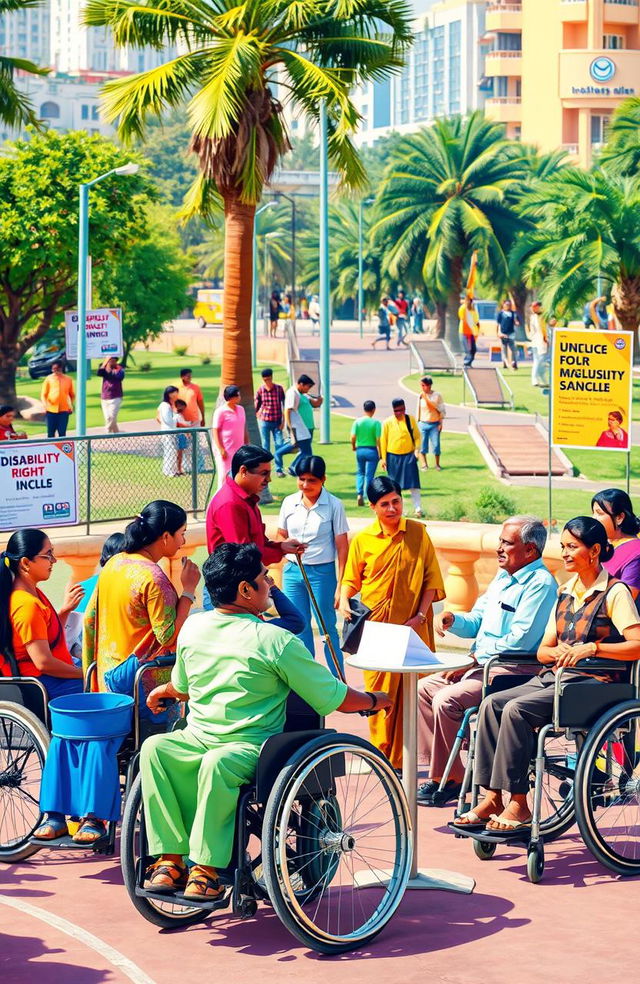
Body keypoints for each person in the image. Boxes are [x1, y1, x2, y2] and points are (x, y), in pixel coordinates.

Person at [140, 542, 392, 899]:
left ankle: (206, 869)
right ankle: (170, 859)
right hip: (202, 737)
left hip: (249, 746)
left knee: (216, 762)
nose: (269, 583)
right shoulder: (272, 639)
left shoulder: (198, 628)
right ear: (245, 590)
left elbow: (180, 687)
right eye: (264, 578)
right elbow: (333, 697)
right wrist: (374, 700)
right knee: (155, 749)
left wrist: (162, 689)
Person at [455, 517, 640, 833]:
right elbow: (544, 651)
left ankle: (518, 803)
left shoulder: (614, 593)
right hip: (557, 678)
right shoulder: (565, 591)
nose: (565, 553)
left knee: (515, 710)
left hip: (595, 684)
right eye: (564, 546)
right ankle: (492, 796)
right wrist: (555, 654)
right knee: (491, 705)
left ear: (594, 550)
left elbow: (636, 645)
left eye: (572, 547)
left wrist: (592, 648)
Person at [417, 516, 557, 806]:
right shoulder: (502, 577)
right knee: (423, 689)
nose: (499, 549)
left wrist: (473, 660)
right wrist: (454, 619)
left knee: (447, 700)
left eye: (507, 543)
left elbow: (521, 640)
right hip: (484, 665)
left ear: (530, 551)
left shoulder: (541, 584)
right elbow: (478, 620)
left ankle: (458, 774)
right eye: (500, 541)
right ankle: (451, 774)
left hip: (513, 669)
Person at [339, 477, 444, 770]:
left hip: (413, 627)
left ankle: (409, 758)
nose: (392, 508)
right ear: (372, 507)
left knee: (413, 693)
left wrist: (420, 617)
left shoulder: (418, 533)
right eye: (384, 504)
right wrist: (346, 599)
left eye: (396, 501)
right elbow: (351, 579)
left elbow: (431, 581)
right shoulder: (363, 539)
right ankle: (382, 756)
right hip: (378, 630)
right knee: (378, 694)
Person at [0, 530, 86, 841]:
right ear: (25, 563)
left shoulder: (34, 596)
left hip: (50, 679)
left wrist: (62, 611)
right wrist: (86, 676)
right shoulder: (25, 604)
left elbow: (44, 637)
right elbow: (43, 662)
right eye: (47, 555)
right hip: (46, 684)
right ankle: (78, 808)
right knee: (99, 705)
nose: (54, 561)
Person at [82, 500, 201, 694]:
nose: (184, 542)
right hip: (140, 685)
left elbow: (89, 619)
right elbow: (168, 637)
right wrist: (188, 590)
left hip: (108, 675)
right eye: (182, 534)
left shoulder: (115, 562)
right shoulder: (153, 578)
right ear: (165, 537)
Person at [277, 456, 349, 676]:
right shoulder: (289, 502)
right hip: (292, 571)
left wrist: (340, 585)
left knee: (327, 627)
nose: (306, 485)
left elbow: (342, 546)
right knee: (299, 627)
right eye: (302, 479)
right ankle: (306, 681)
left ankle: (339, 680)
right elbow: (281, 535)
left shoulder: (334, 505)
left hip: (322, 573)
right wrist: (287, 547)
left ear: (323, 480)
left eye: (312, 480)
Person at [205, 444, 306, 572]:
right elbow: (244, 556)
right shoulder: (230, 504)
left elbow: (257, 545)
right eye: (264, 474)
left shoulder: (247, 499)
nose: (268, 480)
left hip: (247, 579)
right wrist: (279, 550)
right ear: (243, 471)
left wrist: (282, 547)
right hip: (233, 586)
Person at [592, 488, 640, 600]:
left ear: (619, 518)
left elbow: (627, 599)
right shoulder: (602, 544)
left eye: (599, 513)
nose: (594, 518)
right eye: (593, 513)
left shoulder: (635, 553)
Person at [380, 398, 422, 518]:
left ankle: (418, 508)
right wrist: (383, 459)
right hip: (393, 457)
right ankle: (399, 510)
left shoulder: (410, 419)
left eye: (402, 410)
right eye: (397, 411)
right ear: (393, 410)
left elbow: (417, 436)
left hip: (409, 456)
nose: (400, 413)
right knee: (395, 486)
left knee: (414, 483)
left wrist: (417, 450)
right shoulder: (387, 423)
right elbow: (383, 441)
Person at [274, 374, 315, 478]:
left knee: (305, 451)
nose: (308, 389)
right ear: (301, 384)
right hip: (297, 428)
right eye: (308, 387)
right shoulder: (292, 393)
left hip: (300, 427)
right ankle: (289, 465)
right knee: (306, 452)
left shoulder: (296, 392)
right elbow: (287, 410)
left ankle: (291, 466)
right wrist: (291, 429)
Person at [211, 385, 249, 491]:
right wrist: (221, 449)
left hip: (239, 449)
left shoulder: (241, 409)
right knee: (224, 476)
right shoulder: (220, 411)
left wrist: (247, 443)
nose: (240, 397)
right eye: (238, 395)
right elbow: (216, 430)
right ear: (232, 397)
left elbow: (244, 427)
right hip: (226, 450)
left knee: (238, 475)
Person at [350, 400, 381, 507]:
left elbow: (353, 437)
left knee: (360, 473)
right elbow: (378, 439)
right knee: (369, 475)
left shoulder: (357, 422)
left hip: (360, 450)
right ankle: (368, 497)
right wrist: (380, 453)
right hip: (372, 450)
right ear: (374, 410)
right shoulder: (376, 423)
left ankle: (359, 493)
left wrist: (353, 447)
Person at [416, 376, 445, 472]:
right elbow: (419, 409)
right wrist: (418, 421)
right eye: (421, 385)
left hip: (434, 424)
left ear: (429, 385)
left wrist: (440, 423)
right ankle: (424, 465)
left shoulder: (436, 395)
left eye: (423, 385)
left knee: (436, 445)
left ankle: (437, 464)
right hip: (423, 423)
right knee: (422, 446)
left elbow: (438, 408)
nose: (422, 387)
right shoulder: (420, 395)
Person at [254, 368, 285, 456]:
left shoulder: (279, 389)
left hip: (277, 421)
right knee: (265, 446)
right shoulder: (261, 390)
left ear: (272, 377)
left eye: (268, 379)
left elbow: (284, 405)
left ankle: (279, 467)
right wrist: (255, 415)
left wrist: (283, 421)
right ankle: (266, 467)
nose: (267, 381)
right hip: (265, 421)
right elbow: (257, 405)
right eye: (265, 380)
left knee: (279, 444)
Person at [40, 361, 74, 437]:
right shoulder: (49, 379)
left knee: (62, 432)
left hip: (64, 410)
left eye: (56, 369)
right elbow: (43, 395)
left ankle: (61, 448)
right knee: (51, 433)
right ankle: (51, 448)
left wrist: (70, 405)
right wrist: (45, 406)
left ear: (61, 368)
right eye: (53, 369)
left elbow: (72, 395)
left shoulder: (68, 379)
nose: (54, 371)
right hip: (51, 410)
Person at [156, 386, 180, 477]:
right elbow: (168, 421)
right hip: (168, 432)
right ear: (170, 394)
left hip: (170, 431)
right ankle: (169, 471)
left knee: (171, 451)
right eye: (175, 393)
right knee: (170, 451)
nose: (177, 395)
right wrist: (177, 415)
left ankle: (169, 470)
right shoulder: (165, 406)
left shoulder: (167, 405)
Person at [97, 356, 125, 433]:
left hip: (116, 397)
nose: (111, 362)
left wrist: (109, 368)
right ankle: (117, 433)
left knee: (111, 417)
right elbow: (99, 373)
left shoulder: (119, 369)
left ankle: (107, 433)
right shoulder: (104, 369)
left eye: (112, 361)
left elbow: (118, 377)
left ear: (115, 361)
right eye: (109, 361)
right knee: (108, 418)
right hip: (105, 397)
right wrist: (104, 364)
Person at [527, 301, 549, 388]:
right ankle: (534, 379)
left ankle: (543, 379)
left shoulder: (545, 316)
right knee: (538, 360)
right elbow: (533, 331)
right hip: (537, 341)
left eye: (535, 307)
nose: (533, 309)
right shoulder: (533, 317)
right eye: (532, 307)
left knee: (542, 361)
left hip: (544, 341)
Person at [496, 299, 519, 370]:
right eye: (506, 304)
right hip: (503, 333)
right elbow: (498, 324)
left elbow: (516, 322)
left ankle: (513, 362)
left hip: (511, 333)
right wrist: (498, 332)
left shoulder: (513, 314)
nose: (508, 306)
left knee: (513, 349)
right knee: (504, 349)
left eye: (509, 305)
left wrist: (516, 322)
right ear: (503, 305)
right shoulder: (501, 314)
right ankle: (505, 363)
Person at [458, 297, 479, 368]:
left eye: (470, 300)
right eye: (467, 300)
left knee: (473, 349)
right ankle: (466, 363)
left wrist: (477, 328)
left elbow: (476, 320)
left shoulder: (473, 309)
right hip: (464, 331)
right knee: (467, 349)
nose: (469, 302)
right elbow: (462, 317)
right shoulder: (463, 308)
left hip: (472, 332)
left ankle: (469, 363)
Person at [173, 398, 191, 477]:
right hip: (180, 436)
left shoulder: (179, 416)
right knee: (179, 454)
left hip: (181, 436)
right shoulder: (177, 416)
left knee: (180, 454)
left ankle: (179, 468)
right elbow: (180, 425)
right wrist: (187, 429)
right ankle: (178, 469)